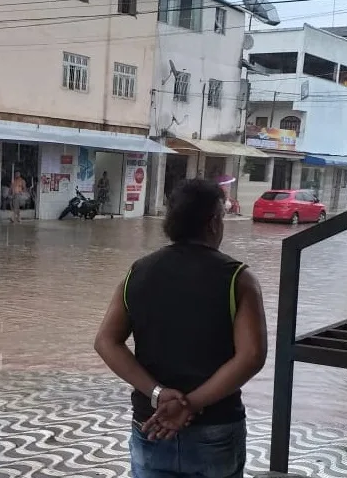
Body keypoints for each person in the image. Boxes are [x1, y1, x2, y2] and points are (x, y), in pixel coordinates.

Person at [94, 178, 267, 478]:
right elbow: (251, 356)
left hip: (152, 424)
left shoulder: (137, 273)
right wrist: (191, 405)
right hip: (215, 428)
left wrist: (158, 394)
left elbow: (106, 342)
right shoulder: (238, 278)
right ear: (213, 223)